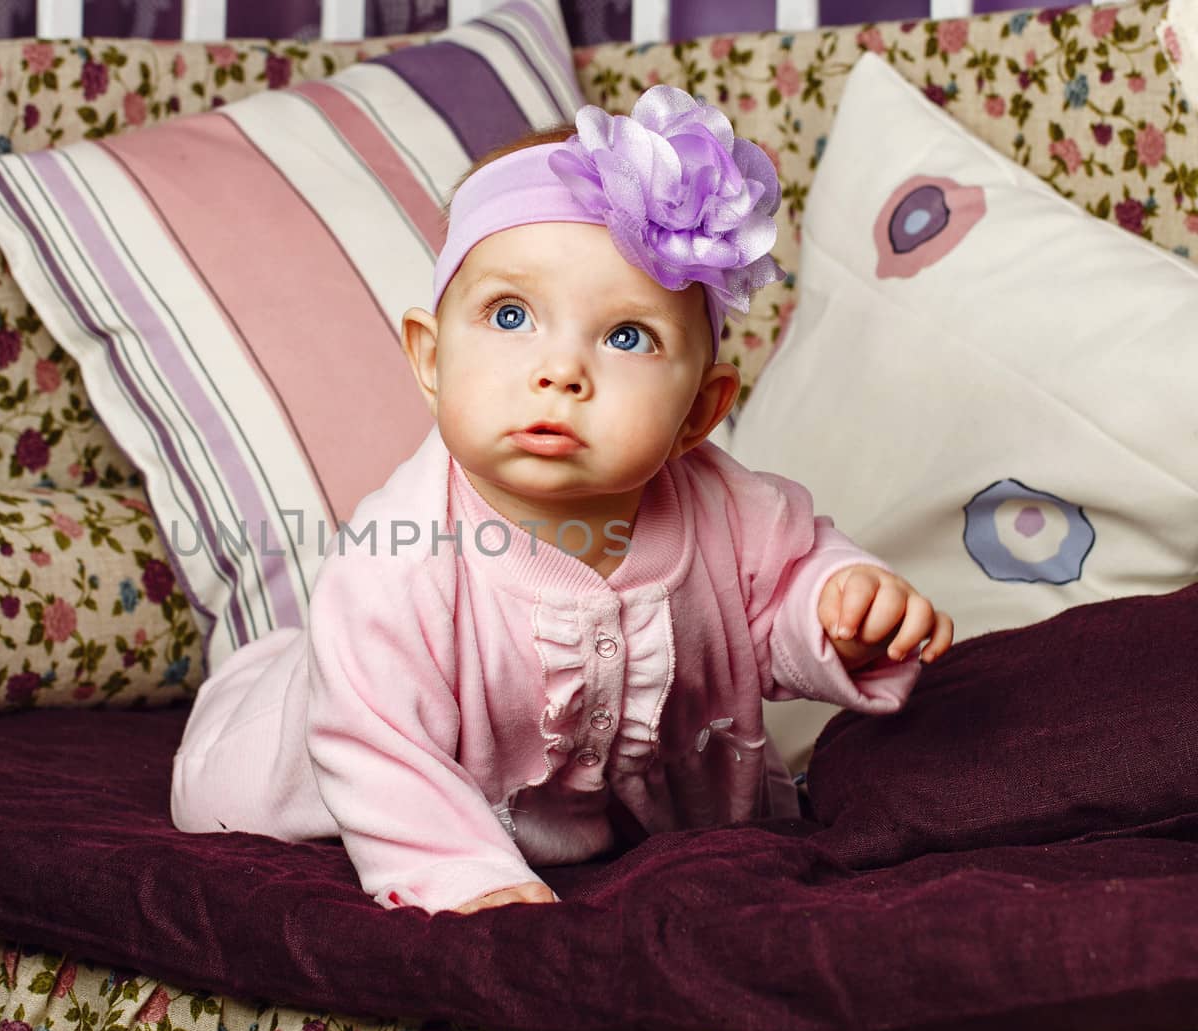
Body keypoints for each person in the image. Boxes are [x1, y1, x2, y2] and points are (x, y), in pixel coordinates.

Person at [171, 86, 953, 915]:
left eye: (626, 336)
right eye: (511, 314)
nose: (561, 370)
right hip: (294, 758)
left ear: (700, 411)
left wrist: (840, 612)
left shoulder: (728, 511)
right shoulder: (393, 566)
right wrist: (475, 886)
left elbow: (785, 581)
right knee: (233, 776)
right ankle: (262, 672)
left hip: (598, 824)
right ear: (431, 359)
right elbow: (377, 748)